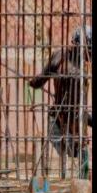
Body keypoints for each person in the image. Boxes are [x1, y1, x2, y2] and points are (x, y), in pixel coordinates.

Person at [29, 25, 92, 177]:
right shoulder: (65, 60)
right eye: (88, 50)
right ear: (77, 45)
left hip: (70, 120)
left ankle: (79, 179)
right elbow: (39, 81)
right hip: (60, 120)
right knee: (76, 154)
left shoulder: (61, 56)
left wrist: (32, 82)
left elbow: (37, 82)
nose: (89, 54)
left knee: (78, 155)